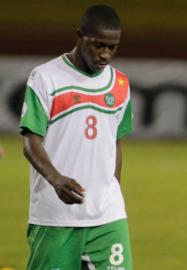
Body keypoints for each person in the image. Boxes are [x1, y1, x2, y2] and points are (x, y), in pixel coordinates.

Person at [20, 5, 134, 269]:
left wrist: (112, 190)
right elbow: (30, 141)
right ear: (80, 36)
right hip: (55, 216)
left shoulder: (120, 84)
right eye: (98, 45)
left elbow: (115, 141)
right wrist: (55, 179)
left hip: (108, 215)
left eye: (113, 47)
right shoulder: (45, 77)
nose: (106, 54)